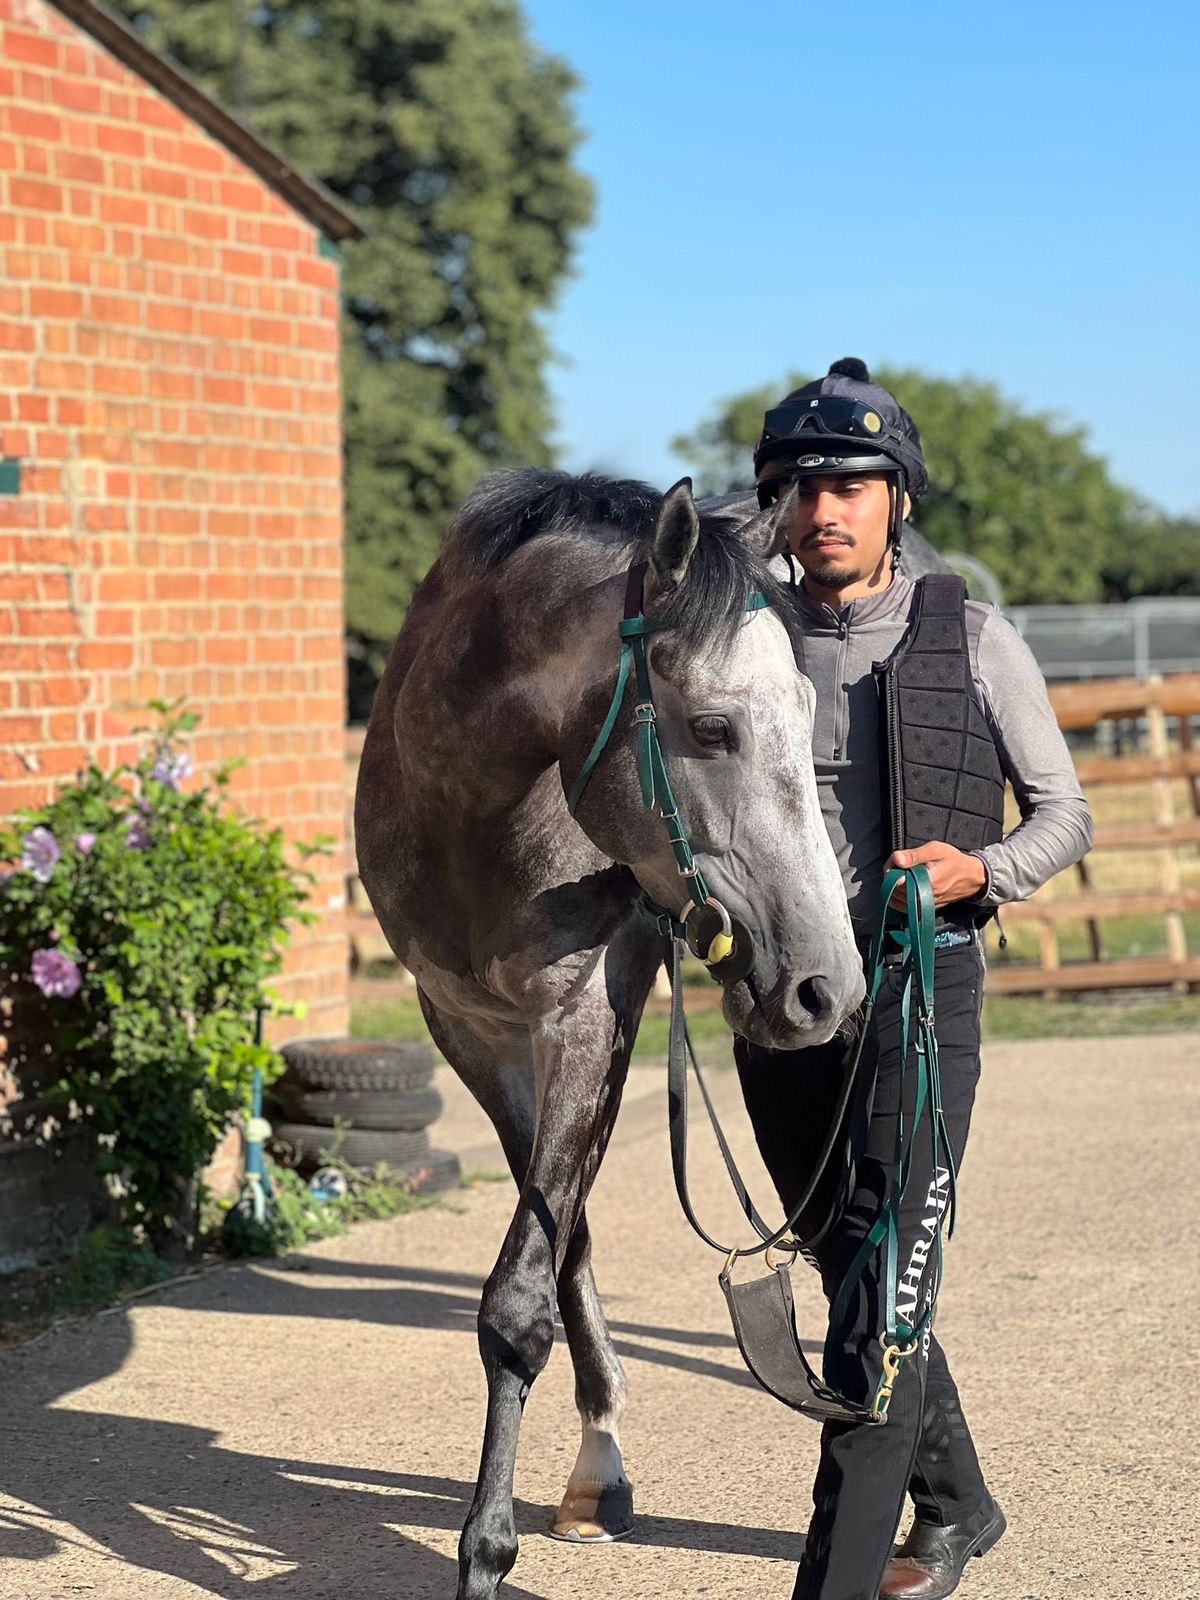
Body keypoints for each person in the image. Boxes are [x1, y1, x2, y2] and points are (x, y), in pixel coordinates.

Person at [734, 358, 1094, 1600]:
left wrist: (974, 869)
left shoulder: (976, 640)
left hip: (921, 999)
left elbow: (1066, 814)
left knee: (877, 1311)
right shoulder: (744, 642)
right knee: (852, 1277)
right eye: (800, 486)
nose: (823, 507)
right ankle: (963, 1506)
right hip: (778, 1007)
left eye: (852, 484)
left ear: (898, 500)